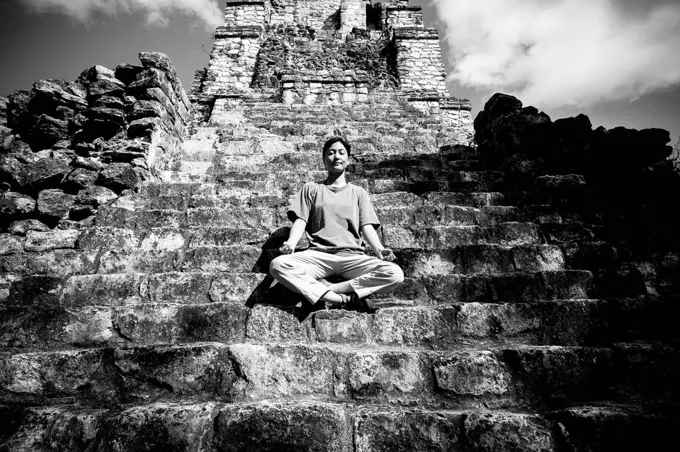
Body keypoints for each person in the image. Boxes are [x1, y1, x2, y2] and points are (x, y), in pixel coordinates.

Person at [269, 136, 404, 311]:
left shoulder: (358, 193)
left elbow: (366, 226)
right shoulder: (311, 189)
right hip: (318, 256)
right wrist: (291, 243)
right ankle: (344, 300)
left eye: (341, 153)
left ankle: (327, 290)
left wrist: (379, 249)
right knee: (278, 265)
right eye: (331, 153)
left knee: (395, 274)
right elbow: (301, 220)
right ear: (324, 161)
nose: (336, 157)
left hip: (353, 257)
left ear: (348, 160)